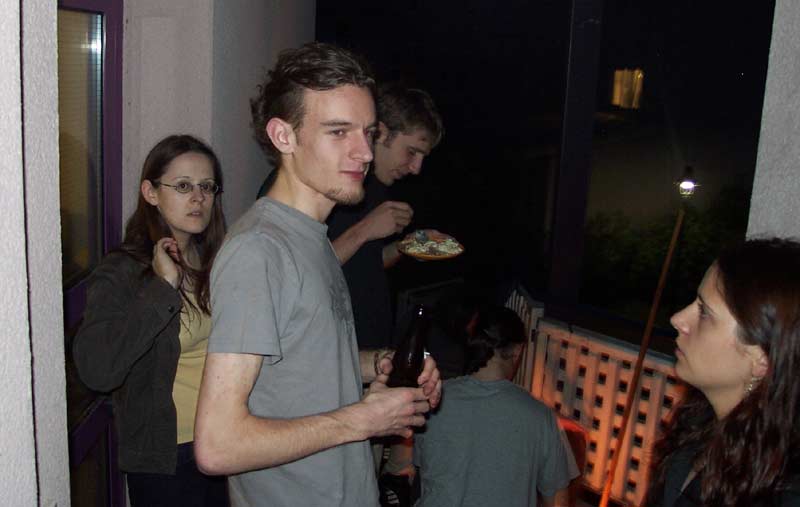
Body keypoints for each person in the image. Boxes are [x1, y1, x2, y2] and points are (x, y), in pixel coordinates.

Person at [193, 42, 442, 507]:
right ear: (284, 136)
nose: (363, 152)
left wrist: (382, 363)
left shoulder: (312, 238)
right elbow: (217, 446)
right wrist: (364, 420)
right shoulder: (258, 252)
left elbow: (305, 361)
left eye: (368, 132)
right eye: (338, 131)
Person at [72, 135, 229, 506]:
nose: (199, 198)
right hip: (168, 457)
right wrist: (162, 288)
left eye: (207, 187)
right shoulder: (123, 271)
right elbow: (96, 370)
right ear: (151, 192)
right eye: (183, 186)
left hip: (222, 439)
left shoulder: (213, 260)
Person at [646, 238, 800, 507]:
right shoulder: (697, 425)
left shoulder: (781, 493)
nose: (677, 319)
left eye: (704, 312)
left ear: (761, 360)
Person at [414, 306, 579, 507]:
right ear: (517, 351)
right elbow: (557, 501)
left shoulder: (432, 398)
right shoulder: (541, 417)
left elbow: (415, 468)